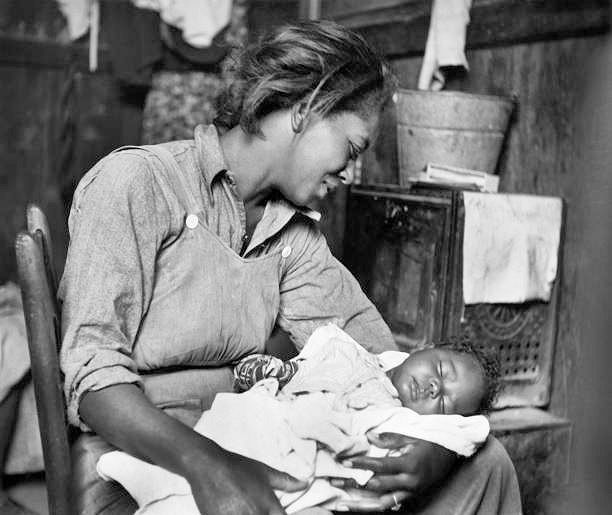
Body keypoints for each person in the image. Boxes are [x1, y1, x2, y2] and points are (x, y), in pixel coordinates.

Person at [59, 20, 521, 515]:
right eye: (353, 149)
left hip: (257, 438)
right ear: (306, 111)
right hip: (138, 456)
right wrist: (210, 465)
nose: (349, 173)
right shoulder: (139, 182)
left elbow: (374, 355)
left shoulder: (291, 234)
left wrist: (438, 440)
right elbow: (93, 379)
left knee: (486, 459)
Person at [95, 325, 498, 514]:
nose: (433, 390)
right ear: (426, 347)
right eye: (441, 372)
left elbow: (472, 430)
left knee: (493, 461)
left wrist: (440, 448)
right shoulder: (352, 354)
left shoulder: (403, 418)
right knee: (233, 429)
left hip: (307, 457)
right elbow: (300, 369)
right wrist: (278, 375)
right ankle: (143, 473)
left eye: (444, 402)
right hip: (248, 418)